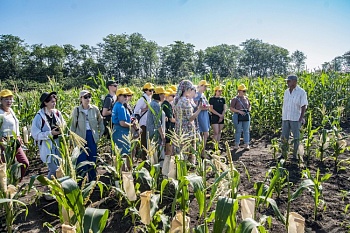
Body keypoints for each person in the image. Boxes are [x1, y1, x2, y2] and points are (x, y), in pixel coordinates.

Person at [70, 90, 104, 182]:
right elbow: (73, 126)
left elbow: (100, 121)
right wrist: (71, 140)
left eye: (89, 96)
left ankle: (92, 181)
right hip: (80, 138)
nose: (88, 99)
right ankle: (81, 182)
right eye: (85, 97)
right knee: (81, 160)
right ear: (81, 99)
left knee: (92, 159)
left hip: (92, 137)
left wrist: (100, 133)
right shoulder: (77, 110)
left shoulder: (95, 109)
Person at [31, 91, 65, 179]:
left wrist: (61, 129)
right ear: (45, 103)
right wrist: (50, 133)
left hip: (58, 142)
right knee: (54, 169)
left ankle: (56, 188)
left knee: (60, 168)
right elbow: (35, 134)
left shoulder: (57, 113)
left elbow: (63, 124)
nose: (54, 103)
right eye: (52, 102)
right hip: (47, 144)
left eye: (55, 101)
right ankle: (48, 187)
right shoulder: (39, 117)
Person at [0, 89, 29, 181]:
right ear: (1, 100)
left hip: (15, 141)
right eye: (6, 99)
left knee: (24, 162)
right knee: (5, 167)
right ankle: (5, 188)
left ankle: (16, 183)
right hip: (4, 142)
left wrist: (18, 135)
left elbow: (16, 124)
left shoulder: (11, 110)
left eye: (10, 99)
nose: (9, 101)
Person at [174, 80, 204, 164]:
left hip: (179, 128)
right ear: (186, 89)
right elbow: (190, 118)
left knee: (180, 151)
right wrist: (199, 109)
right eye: (190, 89)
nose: (191, 91)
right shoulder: (185, 101)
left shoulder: (177, 100)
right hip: (187, 130)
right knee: (188, 152)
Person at [281, 74, 308, 160]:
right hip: (286, 117)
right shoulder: (286, 92)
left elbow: (303, 105)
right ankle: (284, 154)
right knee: (284, 137)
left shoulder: (301, 92)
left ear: (294, 81)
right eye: (287, 81)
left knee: (296, 138)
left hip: (296, 118)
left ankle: (295, 155)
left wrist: (301, 118)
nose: (287, 82)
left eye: (289, 81)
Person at [112, 88, 137, 169]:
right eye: (124, 96)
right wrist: (132, 125)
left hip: (118, 131)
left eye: (127, 96)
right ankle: (124, 173)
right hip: (121, 132)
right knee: (124, 155)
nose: (126, 97)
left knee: (119, 154)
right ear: (119, 96)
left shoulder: (117, 105)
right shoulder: (120, 107)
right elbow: (122, 123)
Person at [133, 83, 154, 160]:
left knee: (147, 141)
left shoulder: (150, 98)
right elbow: (136, 111)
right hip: (143, 123)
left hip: (148, 122)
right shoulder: (142, 99)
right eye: (150, 90)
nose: (151, 92)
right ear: (145, 90)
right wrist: (145, 109)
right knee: (144, 141)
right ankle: (143, 158)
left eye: (152, 90)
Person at [230, 84, 251, 150]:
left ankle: (246, 144)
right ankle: (237, 144)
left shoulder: (246, 98)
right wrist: (239, 111)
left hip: (246, 115)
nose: (244, 92)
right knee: (238, 130)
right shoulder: (235, 99)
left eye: (245, 91)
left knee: (246, 130)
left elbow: (250, 105)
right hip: (237, 116)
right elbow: (231, 108)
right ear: (239, 91)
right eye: (243, 91)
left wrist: (248, 110)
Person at [193, 80, 211, 153]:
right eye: (204, 86)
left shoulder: (203, 95)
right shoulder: (197, 95)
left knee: (204, 133)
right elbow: (196, 106)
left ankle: (201, 150)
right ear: (200, 86)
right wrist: (207, 107)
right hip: (200, 115)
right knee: (204, 133)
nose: (205, 88)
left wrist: (207, 107)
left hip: (205, 115)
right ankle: (201, 151)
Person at [162, 88, 176, 156]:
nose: (174, 97)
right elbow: (171, 119)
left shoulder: (168, 104)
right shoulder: (166, 105)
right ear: (167, 96)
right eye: (172, 96)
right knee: (168, 145)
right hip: (168, 128)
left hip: (169, 127)